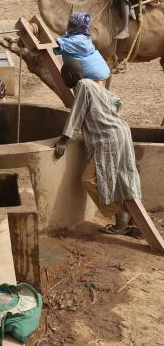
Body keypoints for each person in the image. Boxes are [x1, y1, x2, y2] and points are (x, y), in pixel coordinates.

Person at [54, 59, 142, 235]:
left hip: (108, 138)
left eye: (64, 77)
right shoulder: (95, 85)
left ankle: (120, 214)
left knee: (88, 179)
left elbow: (76, 114)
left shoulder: (83, 85)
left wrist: (64, 139)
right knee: (123, 176)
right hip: (121, 132)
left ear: (70, 76)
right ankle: (137, 226)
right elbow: (118, 102)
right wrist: (106, 114)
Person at [54, 13, 110, 83]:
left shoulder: (77, 41)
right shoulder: (84, 36)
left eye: (71, 24)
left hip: (93, 79)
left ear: (76, 26)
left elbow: (55, 44)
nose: (68, 25)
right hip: (101, 73)